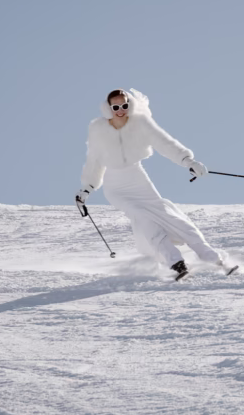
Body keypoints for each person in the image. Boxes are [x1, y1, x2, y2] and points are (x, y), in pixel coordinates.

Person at [76, 88, 233, 280]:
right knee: (143, 217)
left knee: (171, 218)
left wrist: (188, 162)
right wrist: (87, 188)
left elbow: (164, 143)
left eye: (124, 105)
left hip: (138, 180)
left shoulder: (140, 123)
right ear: (108, 108)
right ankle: (175, 262)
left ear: (129, 104)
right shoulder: (98, 129)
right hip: (115, 187)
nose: (120, 110)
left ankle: (212, 257)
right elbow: (94, 160)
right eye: (115, 106)